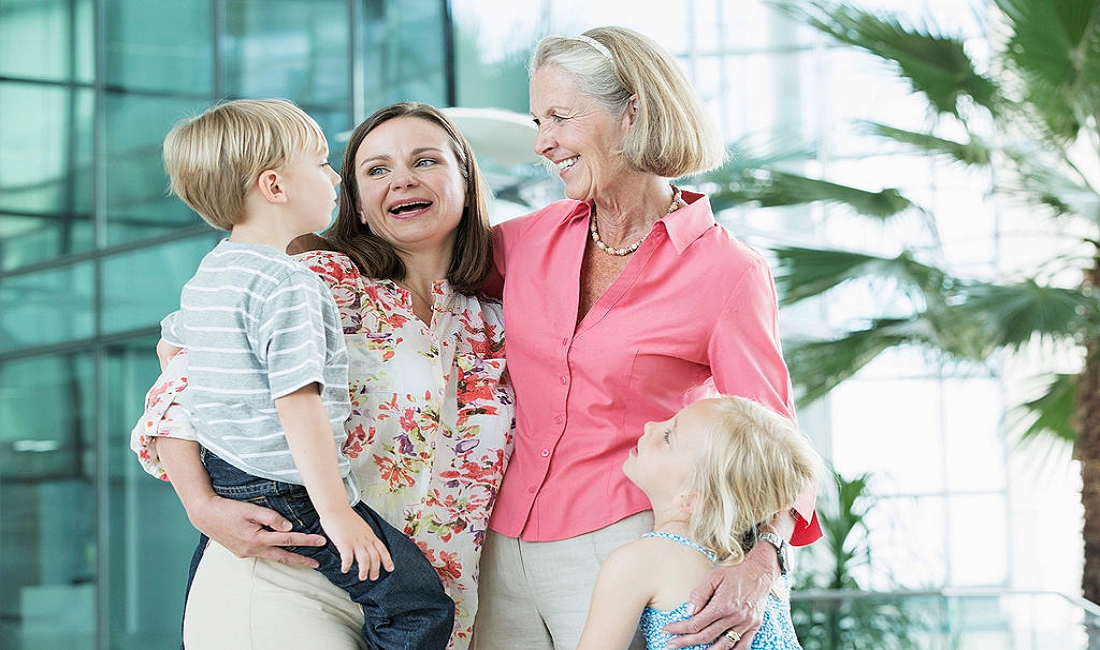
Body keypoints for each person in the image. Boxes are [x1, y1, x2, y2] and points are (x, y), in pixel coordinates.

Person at [471, 27, 821, 650]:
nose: (542, 141)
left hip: (628, 546)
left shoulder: (728, 273)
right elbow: (414, 272)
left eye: (560, 116)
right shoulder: (526, 240)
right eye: (537, 119)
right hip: (502, 548)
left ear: (632, 112)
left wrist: (764, 562)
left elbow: (776, 447)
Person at [131, 101, 514, 649]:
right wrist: (202, 506)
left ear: (466, 178)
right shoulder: (312, 279)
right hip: (289, 577)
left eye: (425, 161)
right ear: (354, 204)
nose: (402, 179)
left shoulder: (494, 323)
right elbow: (179, 390)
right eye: (377, 170)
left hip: (423, 602)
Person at [576, 396, 826, 650]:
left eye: (667, 437)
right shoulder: (764, 579)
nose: (650, 425)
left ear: (692, 498)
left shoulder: (636, 562)